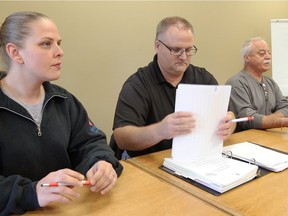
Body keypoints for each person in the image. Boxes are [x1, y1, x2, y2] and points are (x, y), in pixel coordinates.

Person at [0, 11, 123, 215]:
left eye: (59, 42)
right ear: (15, 52)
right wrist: (31, 193)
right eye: (46, 44)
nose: (60, 51)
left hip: (64, 210)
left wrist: (101, 162)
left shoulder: (64, 101)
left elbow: (90, 143)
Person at [111, 16, 236, 159]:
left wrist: (229, 124)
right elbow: (121, 138)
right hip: (148, 161)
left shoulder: (203, 78)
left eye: (188, 50)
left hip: (195, 157)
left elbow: (229, 115)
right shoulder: (138, 84)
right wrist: (160, 131)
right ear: (158, 46)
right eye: (176, 50)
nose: (183, 57)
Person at [225, 37, 288, 132]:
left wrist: (271, 119)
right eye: (262, 53)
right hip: (246, 140)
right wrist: (281, 121)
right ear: (247, 58)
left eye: (269, 53)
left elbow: (285, 106)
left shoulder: (270, 82)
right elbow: (248, 119)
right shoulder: (236, 83)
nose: (268, 57)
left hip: (269, 135)